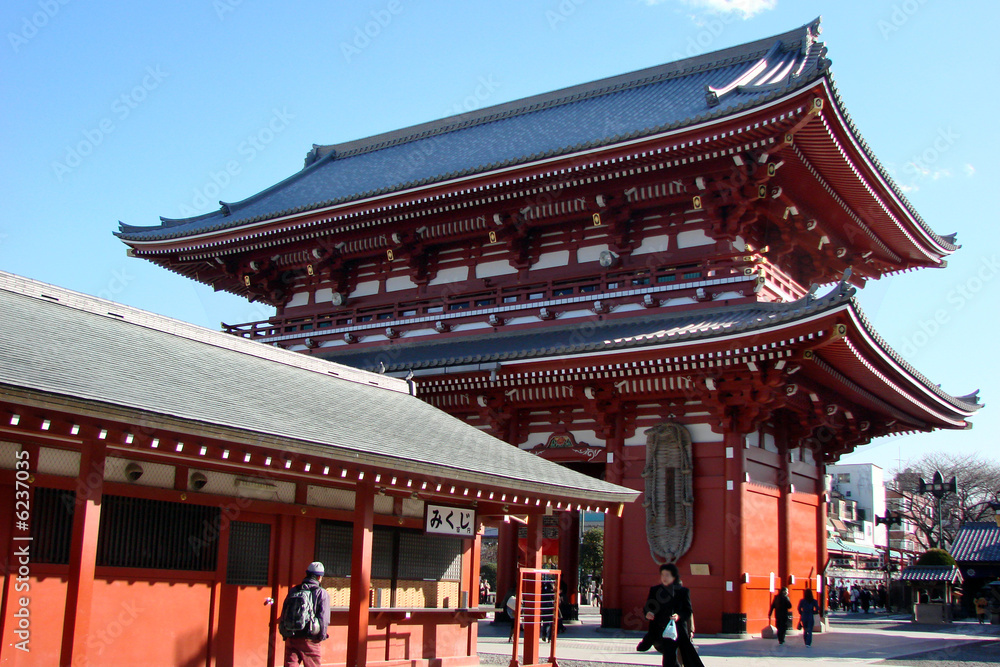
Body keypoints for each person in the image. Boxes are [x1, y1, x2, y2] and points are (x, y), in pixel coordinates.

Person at [637, 563, 705, 667]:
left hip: (675, 630)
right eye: (662, 575)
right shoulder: (655, 590)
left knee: (670, 657)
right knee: (670, 656)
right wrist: (648, 613)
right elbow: (648, 607)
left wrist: (678, 616)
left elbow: (687, 611)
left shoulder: (683, 592)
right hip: (659, 629)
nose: (664, 578)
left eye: (667, 575)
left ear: (674, 576)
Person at [281, 562, 330, 667]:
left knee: (290, 664)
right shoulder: (321, 593)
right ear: (319, 577)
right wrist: (321, 636)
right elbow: (324, 618)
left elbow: (284, 612)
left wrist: (285, 634)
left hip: (292, 635)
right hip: (310, 638)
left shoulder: (294, 590)